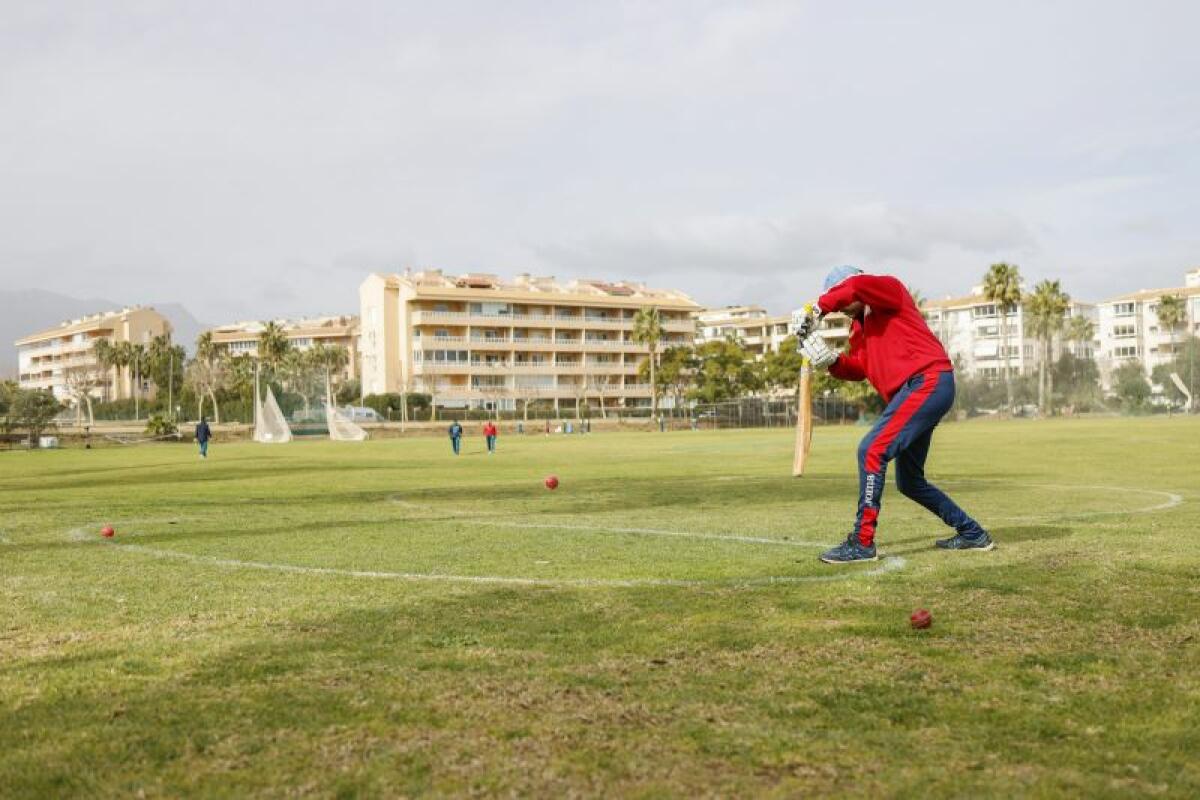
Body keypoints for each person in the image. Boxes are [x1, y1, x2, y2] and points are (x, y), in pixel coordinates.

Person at [797, 265, 993, 564]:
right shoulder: (859, 329)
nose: (844, 308)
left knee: (872, 450)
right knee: (910, 482)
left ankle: (862, 543)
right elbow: (861, 369)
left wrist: (817, 309)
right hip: (914, 392)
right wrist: (830, 361)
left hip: (926, 382)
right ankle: (972, 533)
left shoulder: (886, 290)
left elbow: (855, 287)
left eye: (841, 298)